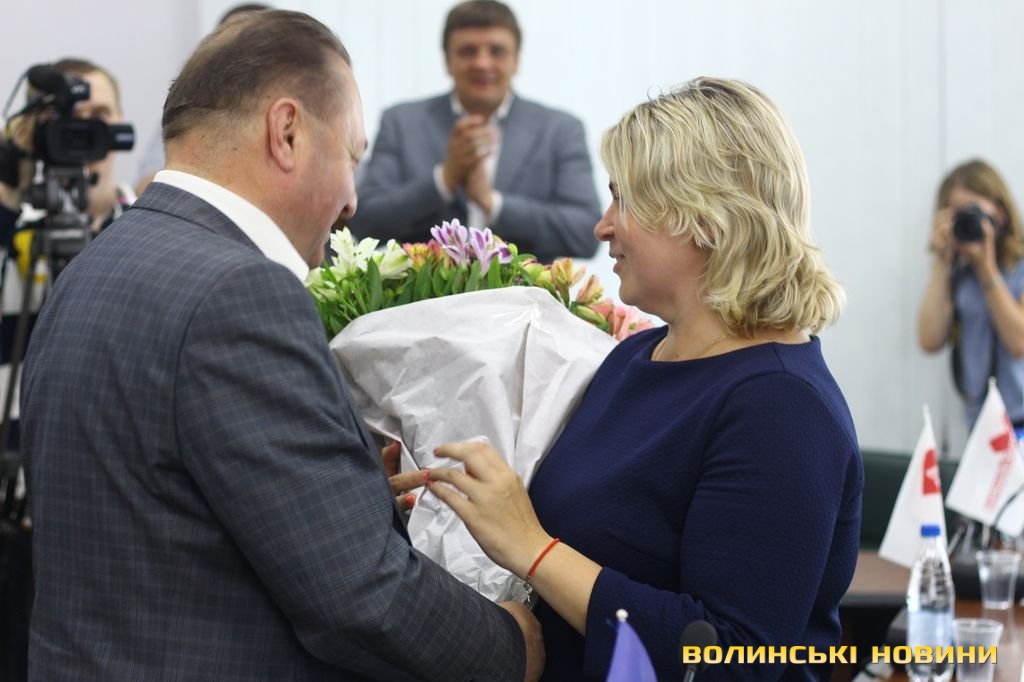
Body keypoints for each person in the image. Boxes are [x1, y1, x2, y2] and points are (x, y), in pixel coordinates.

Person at [22, 11, 541, 681]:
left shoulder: (97, 261)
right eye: (351, 156)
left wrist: (343, 497)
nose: (353, 201)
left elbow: (157, 508)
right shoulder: (240, 291)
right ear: (287, 131)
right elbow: (361, 598)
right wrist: (509, 645)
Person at [425, 77, 863, 681]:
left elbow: (731, 659)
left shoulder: (782, 406)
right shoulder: (638, 357)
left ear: (704, 218)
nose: (603, 227)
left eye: (623, 200)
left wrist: (532, 548)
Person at [0, 56, 134, 682]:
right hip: (14, 518)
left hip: (117, 520)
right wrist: (9, 181)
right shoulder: (11, 236)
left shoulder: (155, 236)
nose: (85, 134)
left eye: (100, 117)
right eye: (68, 123)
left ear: (123, 126)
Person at [348, 0, 601, 262]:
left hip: (526, 287)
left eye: (496, 51)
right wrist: (444, 179)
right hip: (422, 288)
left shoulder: (560, 130)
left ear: (516, 60)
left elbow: (585, 233)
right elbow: (365, 221)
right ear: (447, 61)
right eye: (468, 51)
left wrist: (492, 203)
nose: (481, 63)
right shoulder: (401, 123)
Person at [917, 159, 1024, 430]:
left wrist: (986, 267)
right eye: (956, 216)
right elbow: (929, 340)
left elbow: (1019, 342)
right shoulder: (958, 276)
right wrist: (942, 260)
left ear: (1001, 212)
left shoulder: (1019, 269)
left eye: (972, 212)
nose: (967, 221)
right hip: (981, 424)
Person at [133, 2, 273, 196]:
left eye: (255, 44)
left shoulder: (298, 112)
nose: (244, 57)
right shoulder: (188, 111)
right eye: (235, 46)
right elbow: (147, 189)